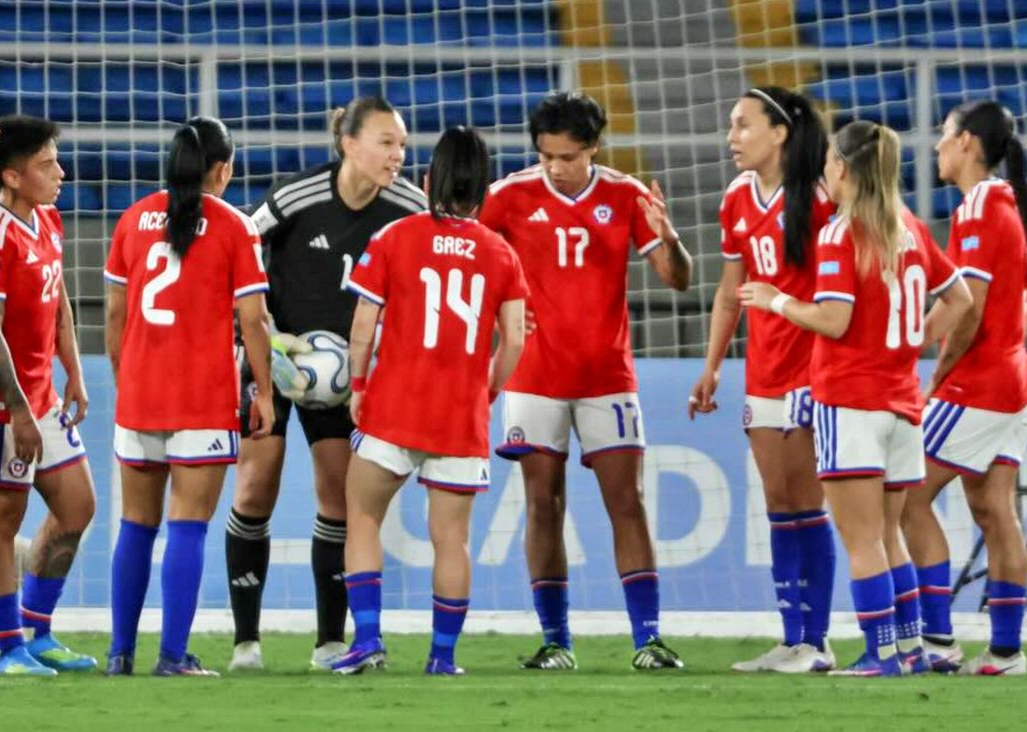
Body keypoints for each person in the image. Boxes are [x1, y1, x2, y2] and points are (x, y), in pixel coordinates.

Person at [740, 120, 971, 676]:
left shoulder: (842, 232)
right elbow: (960, 298)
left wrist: (776, 302)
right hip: (901, 402)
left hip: (850, 400)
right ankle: (911, 648)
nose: (823, 172)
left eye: (827, 164)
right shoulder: (910, 227)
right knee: (889, 532)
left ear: (842, 168)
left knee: (860, 537)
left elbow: (834, 319)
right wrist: (910, 339)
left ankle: (880, 653)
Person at [480, 91, 692, 670]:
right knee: (541, 504)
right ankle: (556, 642)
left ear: (593, 147)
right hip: (532, 377)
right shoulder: (507, 198)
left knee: (628, 503)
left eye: (568, 156)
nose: (555, 166)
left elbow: (678, 280)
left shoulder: (626, 195)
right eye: (547, 155)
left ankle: (647, 639)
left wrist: (668, 236)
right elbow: (470, 268)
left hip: (608, 377)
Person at [225, 96, 426, 670]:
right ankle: (246, 642)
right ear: (349, 144)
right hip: (278, 360)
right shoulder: (297, 197)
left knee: (338, 493)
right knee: (254, 486)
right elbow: (237, 243)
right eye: (386, 142)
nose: (397, 155)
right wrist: (257, 338)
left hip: (346, 375)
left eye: (402, 145)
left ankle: (330, 641)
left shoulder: (409, 208)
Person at [328, 126, 527, 675]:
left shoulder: (395, 237)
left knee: (363, 517)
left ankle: (368, 641)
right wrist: (485, 391)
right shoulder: (501, 253)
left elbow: (364, 324)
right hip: (458, 416)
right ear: (482, 187)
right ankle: (442, 657)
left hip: (394, 406)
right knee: (452, 540)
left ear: (427, 179)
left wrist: (360, 385)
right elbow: (515, 339)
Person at [104, 117, 274, 677]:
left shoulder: (132, 219)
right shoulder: (234, 226)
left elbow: (113, 313)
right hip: (201, 394)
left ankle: (119, 654)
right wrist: (265, 393)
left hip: (141, 391)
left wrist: (126, 376)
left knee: (136, 524)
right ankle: (172, 656)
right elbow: (253, 321)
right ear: (222, 169)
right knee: (188, 524)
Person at [689, 87, 838, 673]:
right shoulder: (736, 199)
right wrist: (711, 365)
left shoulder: (822, 200)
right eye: (731, 126)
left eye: (743, 125)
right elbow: (730, 291)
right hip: (763, 373)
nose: (732, 137)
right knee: (778, 505)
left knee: (807, 504)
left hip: (812, 371)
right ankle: (791, 636)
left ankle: (818, 641)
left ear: (779, 133)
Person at [900, 100, 1027, 676]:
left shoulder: (980, 208)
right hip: (1017, 378)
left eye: (945, 136)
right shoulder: (1009, 206)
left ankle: (935, 638)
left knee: (906, 494)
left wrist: (937, 369)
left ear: (969, 145)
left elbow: (970, 308)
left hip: (979, 382)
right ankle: (1006, 652)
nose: (936, 147)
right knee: (994, 509)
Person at [0, 115, 97, 675]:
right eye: (46, 165)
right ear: (13, 177)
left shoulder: (47, 219)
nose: (59, 172)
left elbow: (59, 296)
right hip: (2, 401)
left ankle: (38, 631)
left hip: (44, 394)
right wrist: (15, 409)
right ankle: (8, 649)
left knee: (77, 506)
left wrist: (76, 370)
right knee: (3, 519)